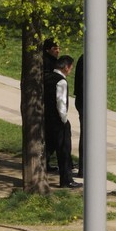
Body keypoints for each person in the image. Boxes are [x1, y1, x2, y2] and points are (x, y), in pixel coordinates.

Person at [46, 54, 80, 188]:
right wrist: (64, 120)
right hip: (58, 122)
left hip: (47, 119)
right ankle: (66, 180)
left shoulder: (47, 77)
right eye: (70, 67)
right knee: (64, 151)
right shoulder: (61, 81)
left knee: (48, 148)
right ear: (66, 67)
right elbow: (61, 102)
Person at [42, 39, 60, 171]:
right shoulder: (48, 63)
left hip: (49, 102)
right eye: (55, 48)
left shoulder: (51, 62)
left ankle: (46, 161)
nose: (58, 51)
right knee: (52, 135)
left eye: (58, 48)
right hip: (49, 103)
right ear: (48, 50)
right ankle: (45, 161)